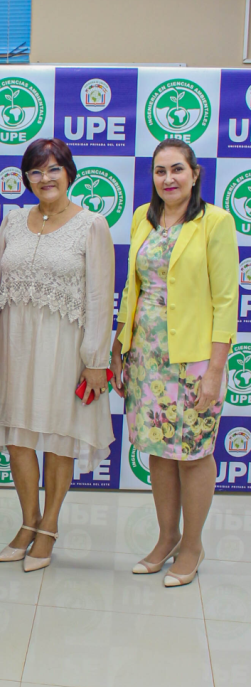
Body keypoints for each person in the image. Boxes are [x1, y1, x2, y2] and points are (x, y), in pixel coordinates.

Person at [0, 138, 115, 572]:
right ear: (26, 179)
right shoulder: (13, 222)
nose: (45, 179)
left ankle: (49, 527)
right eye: (36, 172)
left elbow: (99, 296)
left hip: (66, 348)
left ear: (69, 173)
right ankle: (27, 522)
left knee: (58, 438)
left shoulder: (92, 224)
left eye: (54, 169)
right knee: (19, 436)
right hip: (17, 345)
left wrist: (96, 358)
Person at [111, 139, 238, 587]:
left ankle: (192, 546)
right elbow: (133, 289)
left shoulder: (215, 222)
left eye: (177, 169)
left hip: (195, 363)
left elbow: (226, 301)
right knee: (160, 454)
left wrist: (217, 372)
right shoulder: (143, 220)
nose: (169, 178)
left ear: (195, 173)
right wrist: (119, 348)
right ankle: (166, 538)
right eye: (160, 171)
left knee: (194, 455)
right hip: (147, 358)